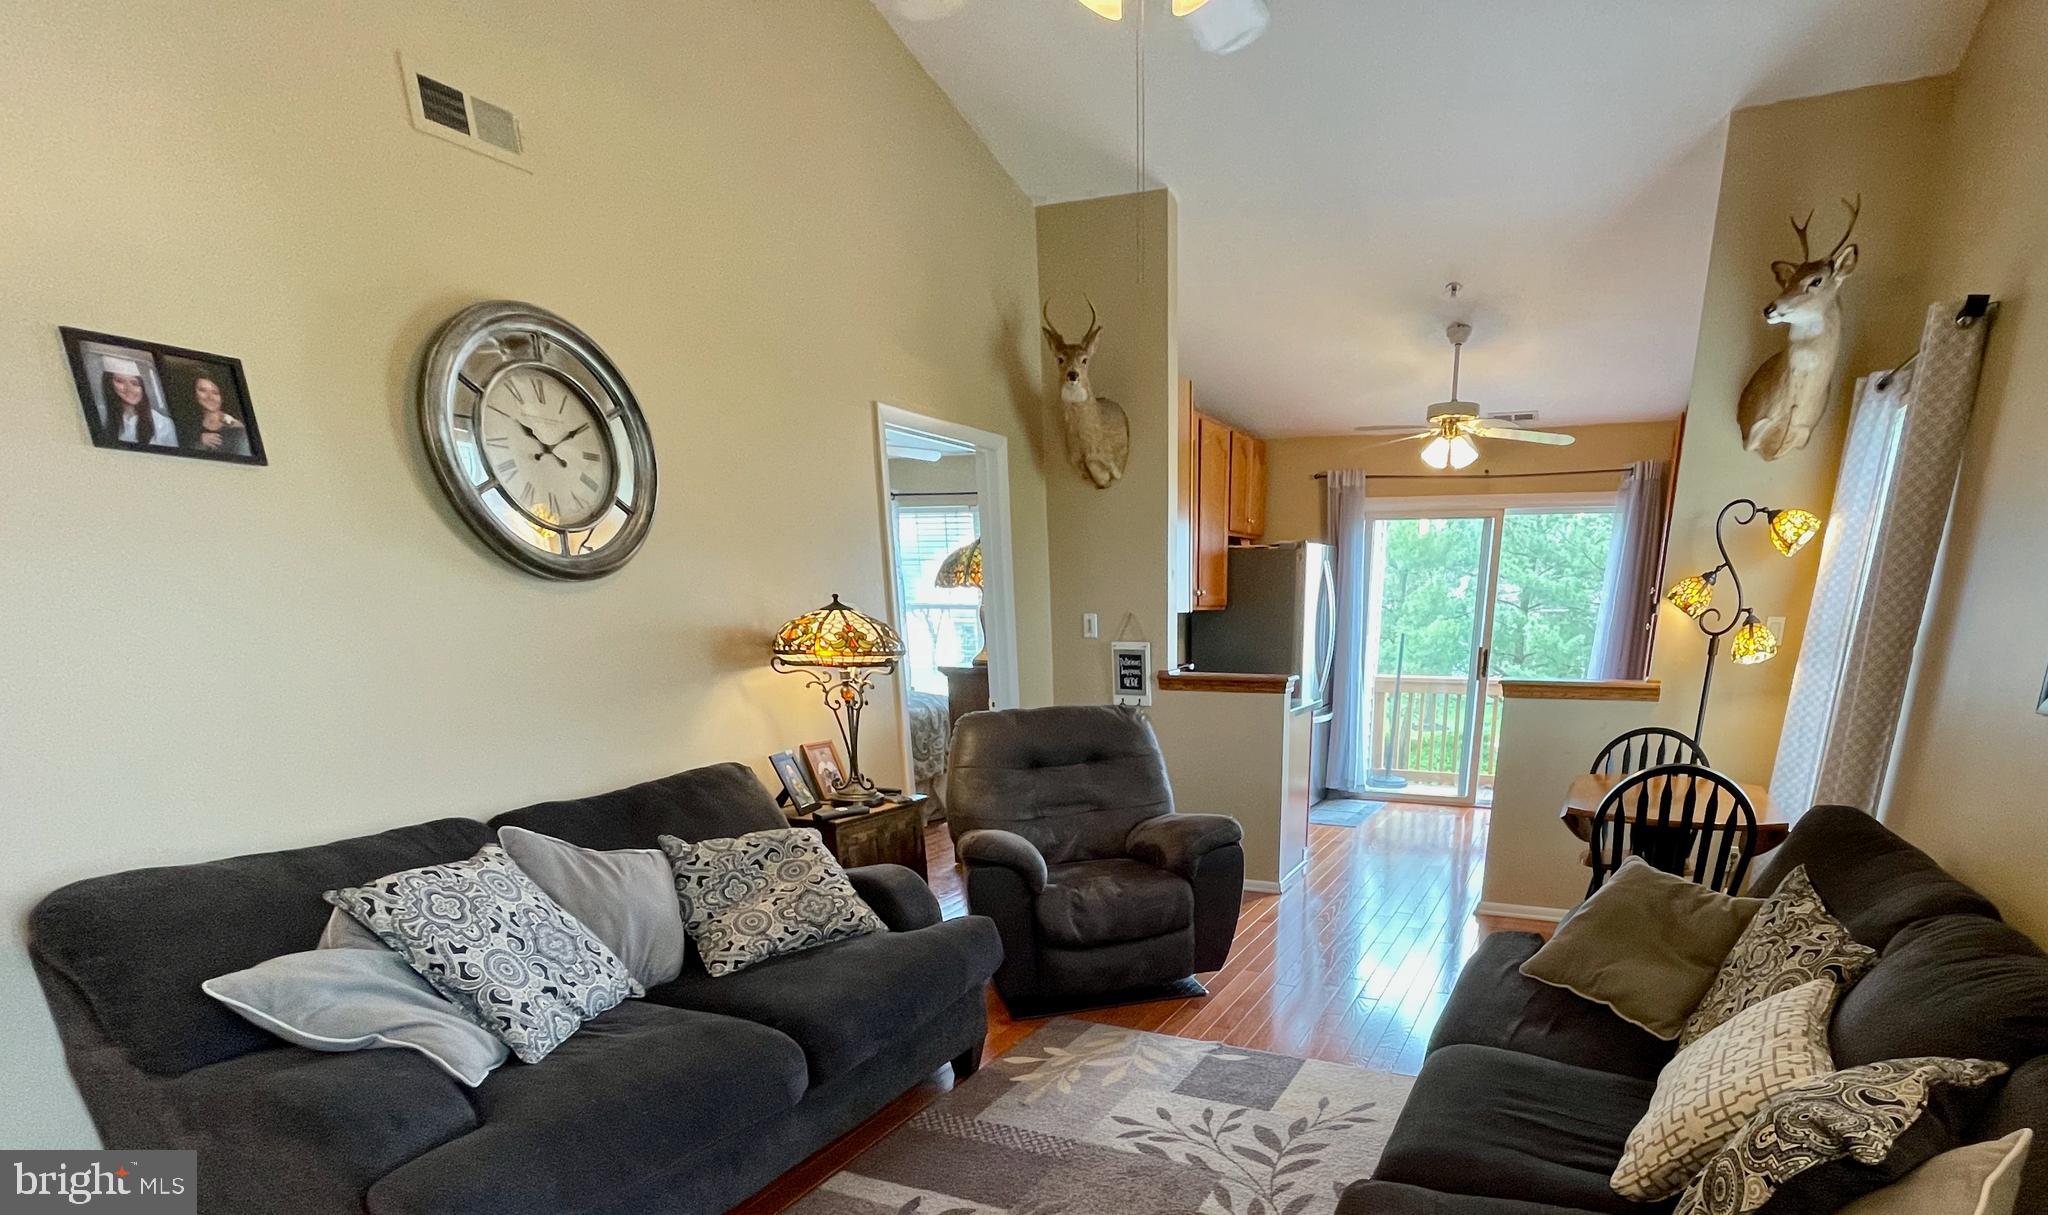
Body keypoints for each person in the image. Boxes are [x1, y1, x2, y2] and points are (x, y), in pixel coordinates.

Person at [99, 355, 177, 447]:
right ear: (109, 384)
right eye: (120, 381)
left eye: (135, 383)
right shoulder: (101, 415)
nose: (129, 389)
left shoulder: (163, 424)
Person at [187, 374, 250, 457]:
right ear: (194, 393)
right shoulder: (188, 427)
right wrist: (200, 443)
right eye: (203, 390)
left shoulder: (237, 426)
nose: (210, 397)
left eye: (215, 393)